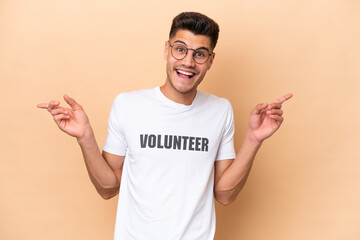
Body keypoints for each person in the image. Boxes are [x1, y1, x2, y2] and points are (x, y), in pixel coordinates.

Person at [37, 12, 292, 240]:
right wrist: (85, 137)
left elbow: (225, 195)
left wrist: (254, 140)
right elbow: (108, 187)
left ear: (211, 60)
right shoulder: (128, 105)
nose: (188, 62)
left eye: (199, 54)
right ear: (166, 50)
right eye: (180, 49)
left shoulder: (220, 110)